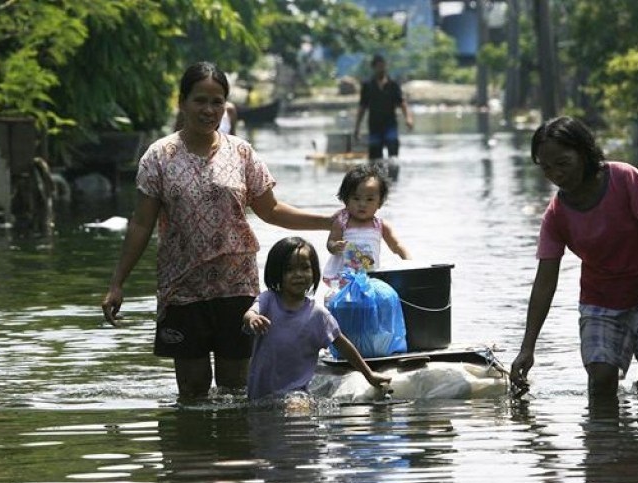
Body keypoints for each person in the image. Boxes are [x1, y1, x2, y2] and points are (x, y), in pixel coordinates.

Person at [101, 61, 332, 401]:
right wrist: (117, 284)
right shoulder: (158, 157)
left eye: (217, 101)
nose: (209, 110)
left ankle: (233, 451)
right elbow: (140, 224)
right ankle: (192, 454)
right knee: (192, 391)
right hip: (182, 286)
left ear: (225, 105)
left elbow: (272, 210)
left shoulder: (241, 153)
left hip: (235, 287)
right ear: (182, 102)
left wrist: (331, 220)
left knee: (235, 390)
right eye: (200, 100)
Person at [510, 116, 638, 398]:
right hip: (601, 301)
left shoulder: (625, 179)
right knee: (601, 381)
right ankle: (605, 441)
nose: (556, 175)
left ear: (584, 152)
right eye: (546, 168)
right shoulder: (556, 216)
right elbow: (544, 282)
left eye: (563, 163)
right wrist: (527, 348)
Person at [244, 237, 392, 400]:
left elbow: (343, 345)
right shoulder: (268, 301)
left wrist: (369, 375)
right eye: (289, 269)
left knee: (296, 407)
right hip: (260, 394)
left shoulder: (318, 315)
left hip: (296, 393)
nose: (298, 274)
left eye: (305, 268)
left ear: (314, 271)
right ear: (276, 273)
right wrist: (252, 318)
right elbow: (250, 313)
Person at [323, 162, 410, 286]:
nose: (362, 204)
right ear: (346, 199)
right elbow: (330, 242)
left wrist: (409, 261)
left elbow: (396, 245)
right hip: (344, 278)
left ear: (379, 203)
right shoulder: (342, 222)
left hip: (370, 277)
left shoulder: (380, 225)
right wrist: (335, 246)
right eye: (356, 198)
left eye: (369, 199)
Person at [353, 54, 414, 160]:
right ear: (374, 68)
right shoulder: (367, 86)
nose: (381, 69)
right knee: (375, 159)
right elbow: (362, 107)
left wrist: (408, 118)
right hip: (374, 125)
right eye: (379, 67)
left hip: (390, 124)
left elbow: (402, 103)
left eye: (383, 66)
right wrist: (357, 127)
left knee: (393, 156)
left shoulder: (393, 84)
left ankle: (393, 176)